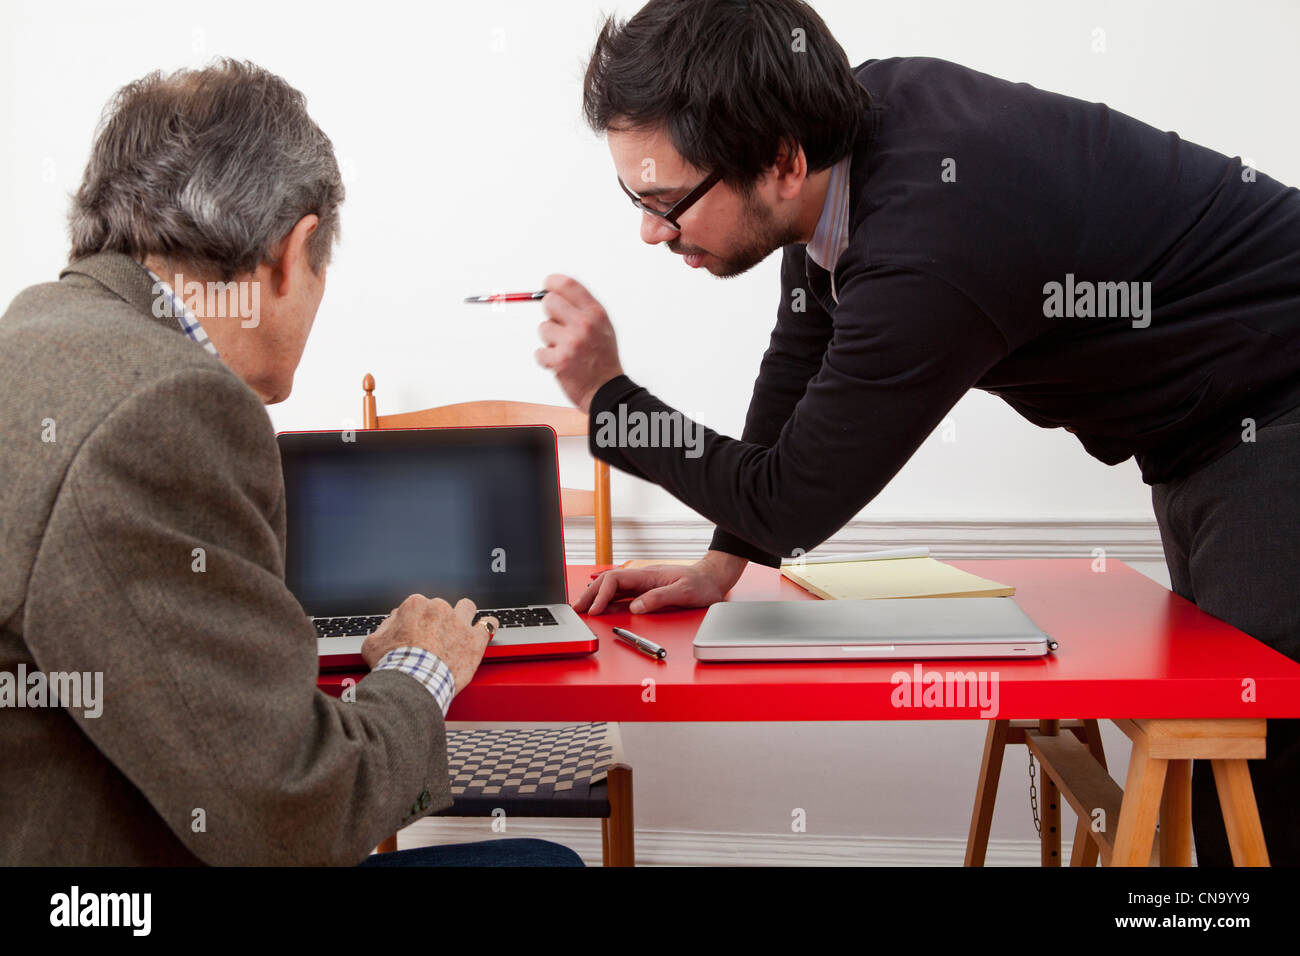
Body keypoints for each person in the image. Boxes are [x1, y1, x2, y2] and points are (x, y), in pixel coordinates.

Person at [536, 0, 1300, 865]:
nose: (649, 230)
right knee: (1221, 753)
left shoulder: (932, 237)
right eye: (635, 197)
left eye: (668, 200)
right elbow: (799, 362)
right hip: (1205, 430)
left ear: (781, 162)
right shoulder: (843, 142)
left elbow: (794, 500)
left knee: (1266, 773)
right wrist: (722, 563)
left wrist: (609, 399)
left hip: (1280, 407)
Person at [0, 59, 580, 867]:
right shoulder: (170, 407)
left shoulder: (31, 331)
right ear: (289, 252)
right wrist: (421, 669)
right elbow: (293, 814)